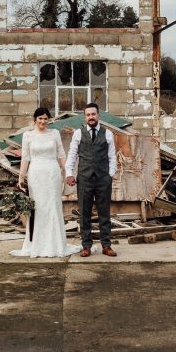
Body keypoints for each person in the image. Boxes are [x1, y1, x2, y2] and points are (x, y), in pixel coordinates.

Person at [11, 107, 80, 258]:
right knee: (38, 208)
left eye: (45, 119)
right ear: (35, 119)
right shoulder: (27, 135)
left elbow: (61, 154)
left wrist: (68, 172)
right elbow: (26, 158)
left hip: (52, 174)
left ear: (49, 120)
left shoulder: (54, 133)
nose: (43, 121)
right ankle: (37, 244)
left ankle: (55, 244)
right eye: (40, 118)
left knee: (52, 207)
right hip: (35, 174)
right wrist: (21, 178)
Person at [64, 103, 118, 257]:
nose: (91, 117)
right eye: (88, 115)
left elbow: (112, 156)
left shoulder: (108, 134)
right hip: (84, 178)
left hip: (103, 179)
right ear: (85, 117)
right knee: (85, 213)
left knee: (104, 213)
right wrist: (69, 173)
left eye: (93, 114)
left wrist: (110, 174)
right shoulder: (78, 134)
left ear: (98, 115)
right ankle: (86, 246)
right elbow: (72, 155)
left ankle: (106, 245)